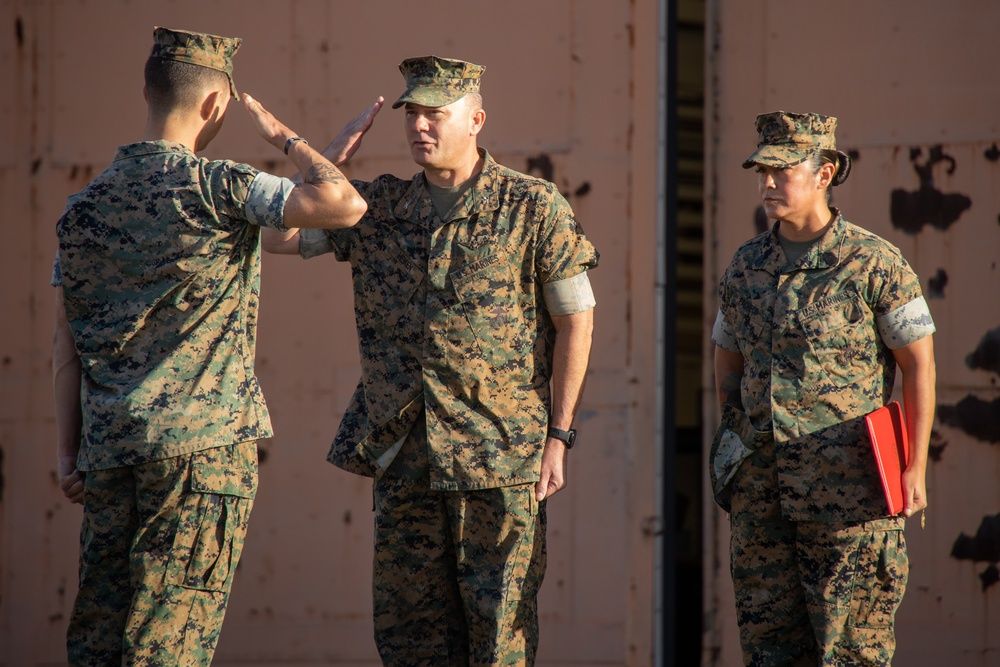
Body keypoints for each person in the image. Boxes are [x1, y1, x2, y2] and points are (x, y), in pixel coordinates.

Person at [264, 55, 599, 665]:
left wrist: (559, 435)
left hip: (499, 458)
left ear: (476, 119)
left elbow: (575, 319)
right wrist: (329, 158)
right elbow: (278, 234)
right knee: (410, 640)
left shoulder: (532, 208)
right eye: (411, 114)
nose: (419, 126)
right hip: (406, 459)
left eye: (434, 114)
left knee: (499, 639)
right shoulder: (376, 211)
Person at [51, 26, 366, 665]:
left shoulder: (82, 209)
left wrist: (69, 457)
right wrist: (290, 141)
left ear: (148, 90)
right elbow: (344, 204)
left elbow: (65, 348)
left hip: (110, 451)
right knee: (168, 644)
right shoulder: (218, 186)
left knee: (100, 641)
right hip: (199, 456)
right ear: (216, 106)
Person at [710, 111, 937, 665]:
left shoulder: (874, 263)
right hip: (763, 498)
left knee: (850, 652)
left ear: (825, 171)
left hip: (849, 496)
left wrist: (914, 467)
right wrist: (736, 448)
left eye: (781, 171)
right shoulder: (746, 265)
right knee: (769, 650)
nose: (767, 184)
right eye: (760, 171)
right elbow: (727, 361)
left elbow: (920, 367)